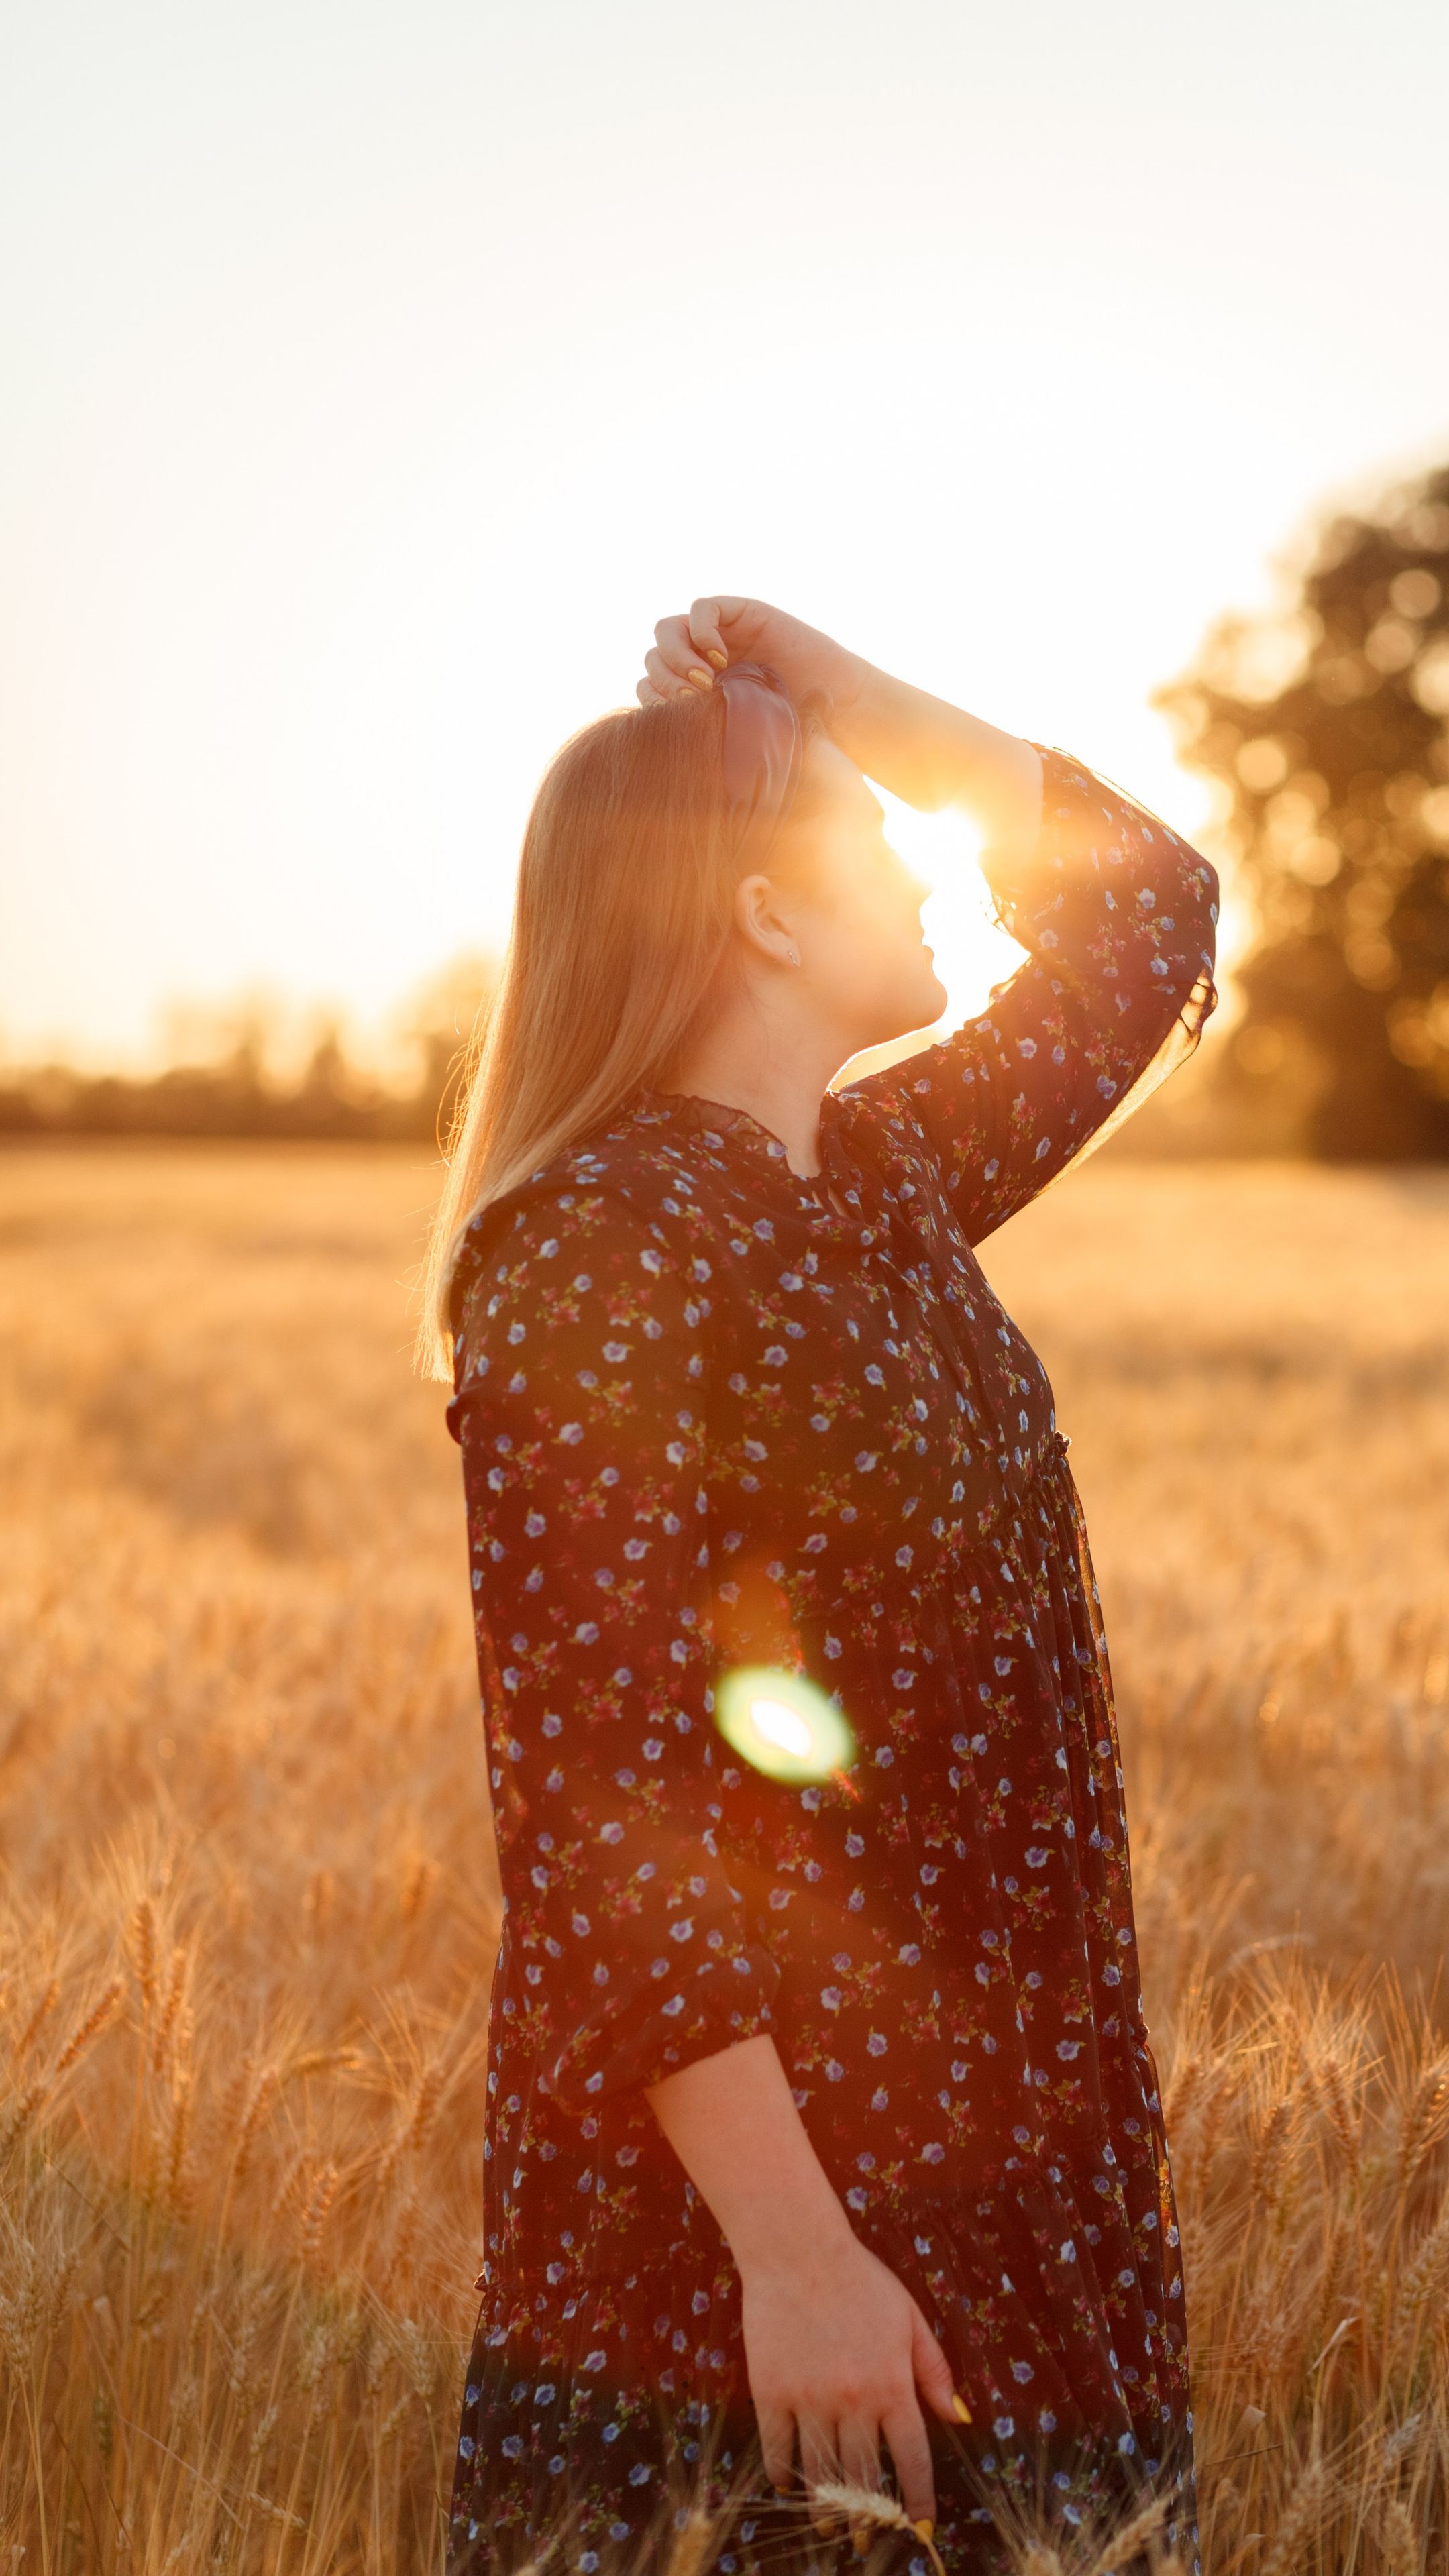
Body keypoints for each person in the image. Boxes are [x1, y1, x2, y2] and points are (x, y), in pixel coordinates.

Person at [423, 599, 1219, 2573]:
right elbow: (601, 1806)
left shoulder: (887, 1179)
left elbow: (1150, 913)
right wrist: (796, 2256)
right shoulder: (595, 1250)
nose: (933, 863)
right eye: (875, 826)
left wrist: (846, 694)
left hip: (1011, 2146)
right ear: (767, 913)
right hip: (778, 2216)